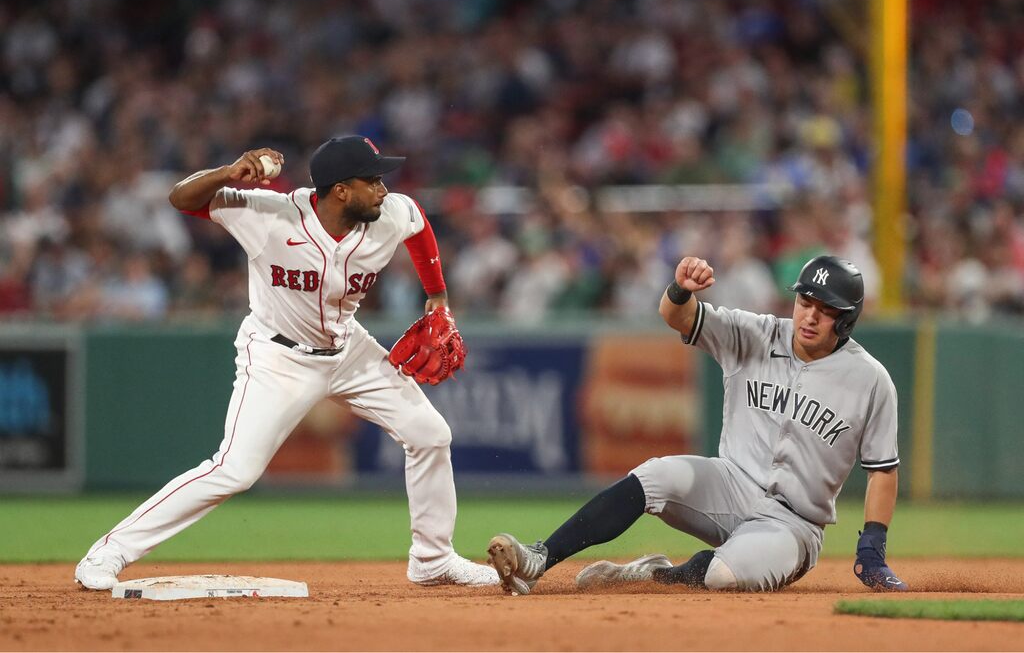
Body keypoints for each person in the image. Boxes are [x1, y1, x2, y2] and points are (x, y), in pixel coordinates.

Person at [75, 135, 499, 589]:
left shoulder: (391, 213)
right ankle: (109, 552)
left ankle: (433, 560)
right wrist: (226, 172)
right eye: (372, 180)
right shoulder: (269, 215)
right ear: (340, 190)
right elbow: (181, 198)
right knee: (234, 470)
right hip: (279, 356)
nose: (383, 189)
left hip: (348, 350)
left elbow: (418, 228)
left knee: (431, 434)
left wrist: (438, 296)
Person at [488, 254, 907, 593]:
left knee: (725, 576)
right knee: (656, 475)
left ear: (847, 320)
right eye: (805, 302)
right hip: (729, 482)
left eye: (826, 310)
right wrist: (680, 290)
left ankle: (657, 574)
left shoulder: (870, 380)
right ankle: (539, 558)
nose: (810, 317)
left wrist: (873, 547)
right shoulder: (756, 334)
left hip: (794, 524)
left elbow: (882, 471)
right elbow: (677, 316)